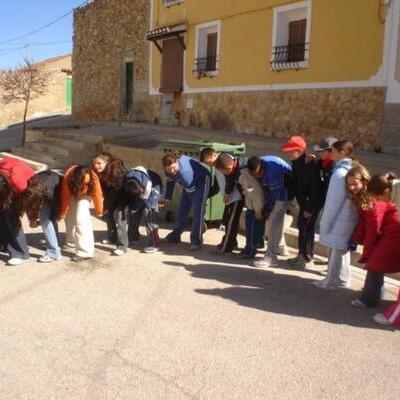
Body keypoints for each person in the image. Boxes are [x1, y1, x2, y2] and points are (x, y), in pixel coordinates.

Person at [349, 171, 400, 308]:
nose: (378, 199)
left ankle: (369, 299)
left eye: (378, 196)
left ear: (385, 191)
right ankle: (374, 295)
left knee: (375, 265)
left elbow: (373, 226)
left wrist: (368, 250)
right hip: (391, 234)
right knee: (377, 266)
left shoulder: (374, 202)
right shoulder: (391, 194)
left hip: (393, 235)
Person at [312, 140, 358, 289]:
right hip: (347, 216)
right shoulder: (351, 169)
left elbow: (333, 202)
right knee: (341, 250)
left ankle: (333, 281)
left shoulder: (339, 173)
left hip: (340, 217)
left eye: (334, 151)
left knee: (337, 250)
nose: (331, 154)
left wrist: (325, 224)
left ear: (342, 152)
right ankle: (341, 279)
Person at [281, 136, 324, 268]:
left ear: (299, 151)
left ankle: (307, 259)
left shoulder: (308, 166)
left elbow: (315, 189)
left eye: (290, 151)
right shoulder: (298, 164)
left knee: (306, 229)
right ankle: (302, 255)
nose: (288, 154)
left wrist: (309, 208)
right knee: (302, 227)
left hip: (310, 204)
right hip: (304, 203)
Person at [247, 155, 292, 267]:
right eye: (254, 174)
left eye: (258, 174)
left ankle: (271, 257)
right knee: (277, 221)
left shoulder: (273, 173)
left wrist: (267, 209)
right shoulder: (258, 165)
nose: (257, 176)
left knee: (273, 222)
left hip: (285, 191)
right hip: (277, 190)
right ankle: (281, 247)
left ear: (263, 167)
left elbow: (274, 195)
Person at [162, 152, 211, 250]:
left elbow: (191, 191)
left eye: (173, 167)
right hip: (189, 184)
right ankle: (174, 237)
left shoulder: (184, 173)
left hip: (201, 180)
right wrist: (166, 199)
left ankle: (196, 241)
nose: (172, 171)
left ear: (177, 162)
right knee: (182, 211)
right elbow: (170, 182)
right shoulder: (169, 172)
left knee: (198, 212)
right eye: (168, 169)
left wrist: (199, 204)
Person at [58, 165, 104, 262]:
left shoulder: (93, 177)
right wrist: (63, 213)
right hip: (72, 192)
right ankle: (71, 241)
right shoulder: (68, 177)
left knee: (81, 219)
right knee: (69, 217)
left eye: (86, 183)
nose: (84, 184)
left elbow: (97, 194)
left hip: (86, 195)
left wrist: (99, 210)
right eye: (83, 183)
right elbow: (65, 197)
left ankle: (85, 252)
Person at [19, 170, 62, 263]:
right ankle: (55, 242)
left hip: (57, 188)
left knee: (46, 219)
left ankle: (54, 252)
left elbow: (55, 209)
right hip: (43, 185)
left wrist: (56, 216)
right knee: (45, 218)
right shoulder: (28, 189)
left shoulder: (49, 194)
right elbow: (29, 206)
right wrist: (32, 220)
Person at [0, 157, 35, 266]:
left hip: (25, 189)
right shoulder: (3, 171)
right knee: (2, 216)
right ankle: (4, 245)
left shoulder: (17, 182)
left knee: (12, 219)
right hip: (8, 189)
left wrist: (32, 218)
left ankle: (22, 254)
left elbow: (26, 200)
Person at [122, 166, 163, 254]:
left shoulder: (149, 183)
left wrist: (147, 204)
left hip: (154, 188)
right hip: (137, 189)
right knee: (133, 211)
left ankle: (155, 243)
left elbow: (149, 198)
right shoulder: (126, 181)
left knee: (150, 214)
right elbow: (128, 198)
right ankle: (133, 236)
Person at [214, 153, 247, 253]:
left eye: (228, 169)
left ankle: (227, 246)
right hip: (241, 196)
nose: (227, 172)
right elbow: (229, 180)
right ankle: (231, 243)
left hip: (247, 197)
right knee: (230, 221)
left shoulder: (243, 168)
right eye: (224, 171)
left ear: (233, 163)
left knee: (232, 222)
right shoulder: (229, 169)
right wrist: (227, 194)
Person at [238, 168, 265, 258]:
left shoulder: (247, 180)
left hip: (254, 209)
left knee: (252, 231)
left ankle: (250, 249)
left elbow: (256, 196)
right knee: (255, 229)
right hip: (254, 207)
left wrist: (258, 211)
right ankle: (252, 246)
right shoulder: (248, 178)